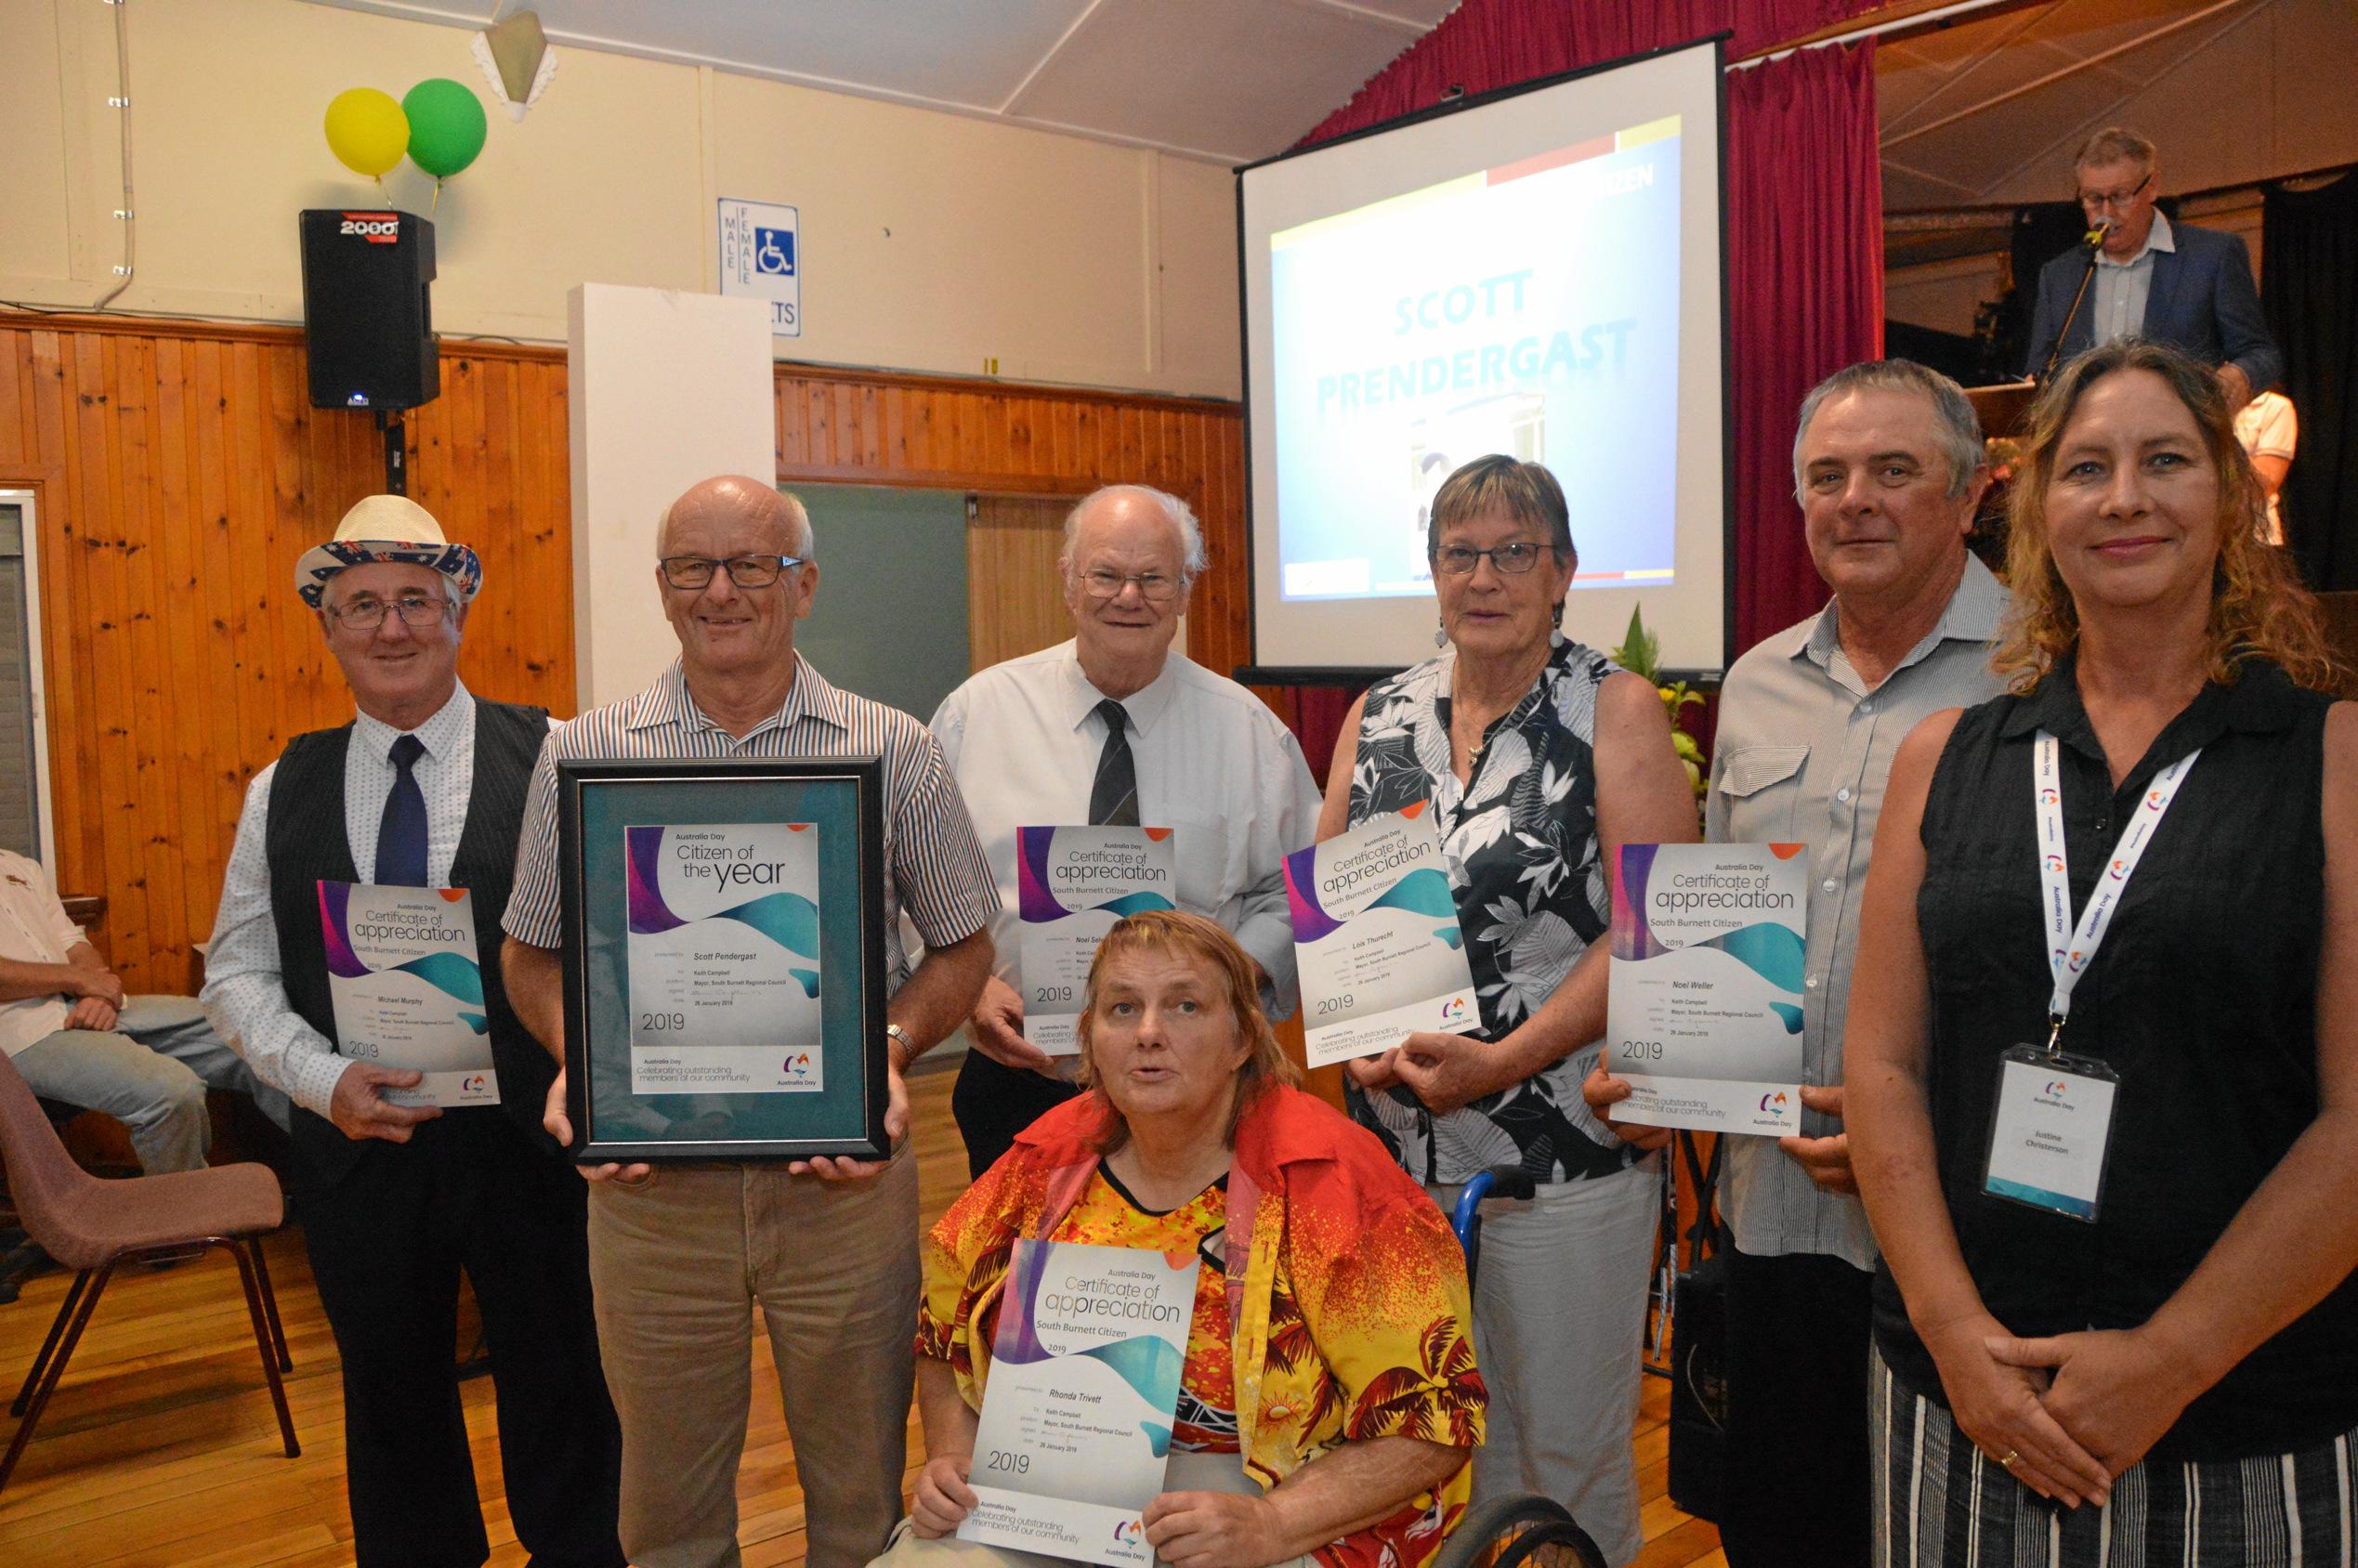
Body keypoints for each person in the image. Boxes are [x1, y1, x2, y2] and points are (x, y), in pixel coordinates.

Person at [1846, 338, 2358, 1563]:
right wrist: (1954, 1333)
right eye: (2085, 468)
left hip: (2244, 1409)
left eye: (2164, 460)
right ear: (2036, 515)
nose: (2123, 497)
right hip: (1962, 1397)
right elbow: (1881, 1070)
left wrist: (2166, 1361)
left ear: (2230, 502)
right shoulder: (1943, 759)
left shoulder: (2329, 761)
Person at [503, 476, 1001, 1568]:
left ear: (805, 584)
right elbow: (529, 953)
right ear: (663, 587)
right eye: (693, 565)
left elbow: (964, 945)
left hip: (842, 1186)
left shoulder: (894, 746)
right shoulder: (582, 750)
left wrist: (888, 1045)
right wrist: (579, 1059)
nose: (720, 589)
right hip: (651, 1196)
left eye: (753, 565)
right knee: (665, 1513)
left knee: (857, 1498)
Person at [1583, 360, 2008, 1567]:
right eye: (1827, 476)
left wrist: (1905, 1116)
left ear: (1967, 493)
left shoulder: (2044, 677)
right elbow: (1721, 909)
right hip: (1771, 1216)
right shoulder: (1759, 682)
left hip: (1951, 1223)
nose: (1854, 500)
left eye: (1892, 471)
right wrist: (1652, 1055)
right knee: (1779, 1533)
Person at [202, 494, 623, 1568]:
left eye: (416, 601)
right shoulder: (277, 790)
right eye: (363, 605)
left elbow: (617, 942)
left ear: (459, 613)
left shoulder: (563, 754)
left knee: (567, 1388)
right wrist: (320, 1076)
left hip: (533, 1146)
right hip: (362, 1147)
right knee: (390, 1405)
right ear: (328, 626)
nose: (392, 627)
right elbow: (237, 974)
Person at [1315, 454, 1699, 1566]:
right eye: (1460, 553)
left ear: (1563, 570)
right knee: (1424, 1454)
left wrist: (1506, 1056)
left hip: (1560, 1153)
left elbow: (1648, 928)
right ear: (1433, 572)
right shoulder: (1378, 714)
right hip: (1394, 1161)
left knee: (1564, 1462)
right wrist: (1359, 1029)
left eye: (1513, 552)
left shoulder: (1610, 706)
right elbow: (1334, 899)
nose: (1484, 577)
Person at [883, 908, 1484, 1568]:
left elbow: (1433, 1423)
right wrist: (950, 1455)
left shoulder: (1334, 1181)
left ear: (1242, 1042)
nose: (1147, 1033)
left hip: (1282, 1487)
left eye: (1185, 1006)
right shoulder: (1043, 1161)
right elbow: (942, 1332)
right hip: (1067, 1477)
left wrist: (1273, 1525)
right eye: (1121, 1009)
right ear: (1090, 1040)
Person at [930, 484, 1320, 1179]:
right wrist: (968, 988)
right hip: (1020, 1082)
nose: (1128, 597)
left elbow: (1298, 889)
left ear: (1185, 590)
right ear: (1069, 580)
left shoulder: (1251, 733)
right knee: (1021, 1283)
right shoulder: (976, 717)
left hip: (1201, 1099)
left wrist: (1232, 974)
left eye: (1153, 578)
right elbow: (915, 881)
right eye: (1107, 574)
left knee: (1194, 1285)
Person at [4, 849, 284, 1173]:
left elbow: (76, 946)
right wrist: (82, 982)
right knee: (172, 1092)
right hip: (22, 1035)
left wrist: (101, 997)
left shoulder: (20, 867)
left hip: (80, 1006)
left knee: (253, 1030)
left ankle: (329, 1178)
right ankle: (192, 1217)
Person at [2022, 128, 2280, 407]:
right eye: (2093, 199)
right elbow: (2040, 371)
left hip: (2177, 437)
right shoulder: (2060, 276)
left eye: (2120, 196)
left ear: (2152, 187)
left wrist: (2240, 375)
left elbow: (2261, 353)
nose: (2106, 212)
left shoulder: (2212, 256)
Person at [2233, 386, 2298, 544]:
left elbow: (2266, 481)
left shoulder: (2274, 407)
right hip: (2201, 538)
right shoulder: (2196, 404)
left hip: (2255, 536)